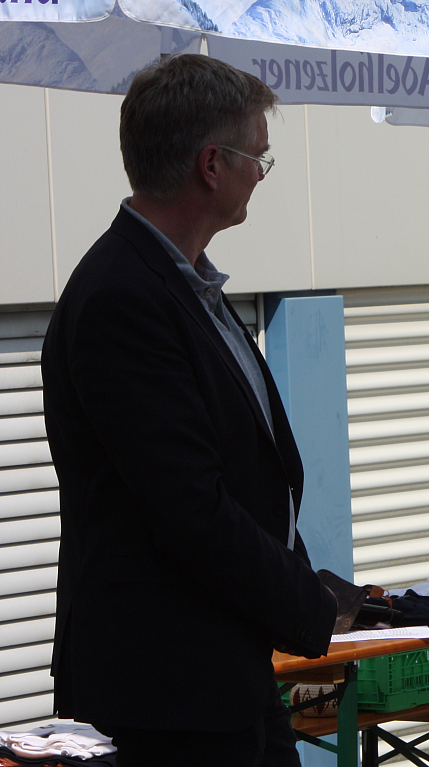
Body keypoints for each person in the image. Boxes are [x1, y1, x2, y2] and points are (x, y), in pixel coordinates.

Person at [42, 54, 337, 766]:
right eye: (258, 158)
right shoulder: (123, 296)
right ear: (212, 165)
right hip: (172, 683)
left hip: (223, 664)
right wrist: (305, 603)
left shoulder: (181, 282)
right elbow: (188, 508)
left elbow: (242, 471)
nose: (261, 175)